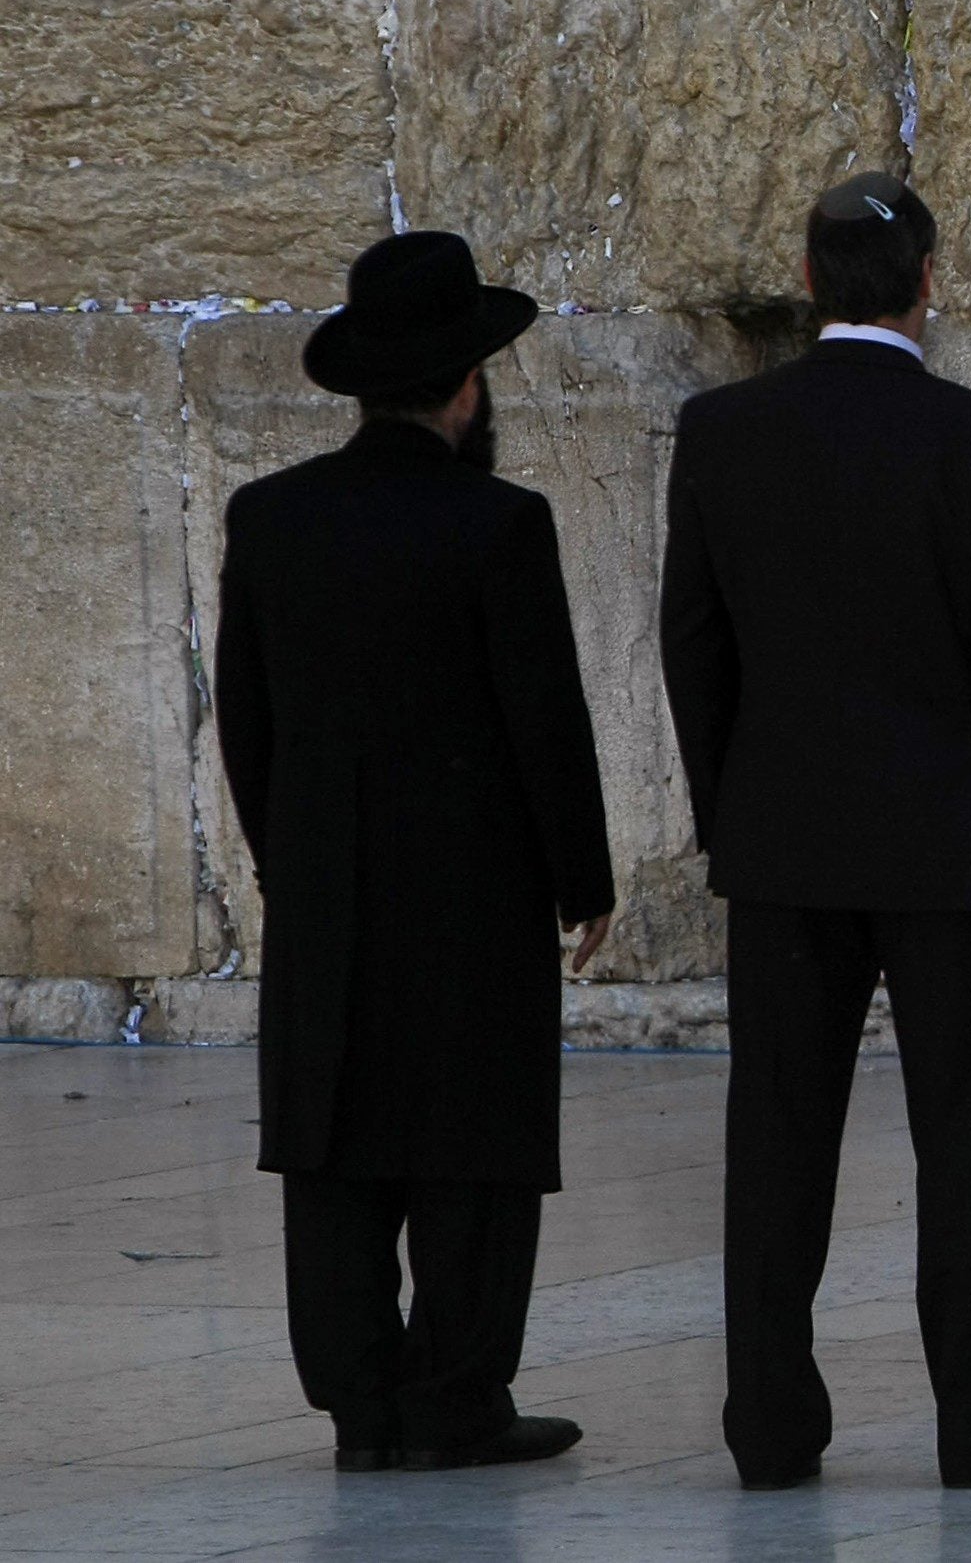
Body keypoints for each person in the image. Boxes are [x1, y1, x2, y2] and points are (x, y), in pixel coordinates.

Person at [658, 172, 971, 1492]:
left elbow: (695, 640)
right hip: (955, 845)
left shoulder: (723, 431)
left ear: (807, 283)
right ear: (926, 284)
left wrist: (728, 808)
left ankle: (772, 1432)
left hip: (785, 842)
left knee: (776, 1139)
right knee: (968, 1140)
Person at [212, 231, 617, 1470]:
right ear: (466, 385)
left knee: (334, 1143)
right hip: (474, 889)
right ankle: (455, 1397)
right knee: (471, 1146)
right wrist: (582, 878)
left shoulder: (271, 518)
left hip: (327, 881)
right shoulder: (499, 525)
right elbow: (542, 714)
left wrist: (287, 854)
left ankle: (360, 1401)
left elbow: (245, 714)